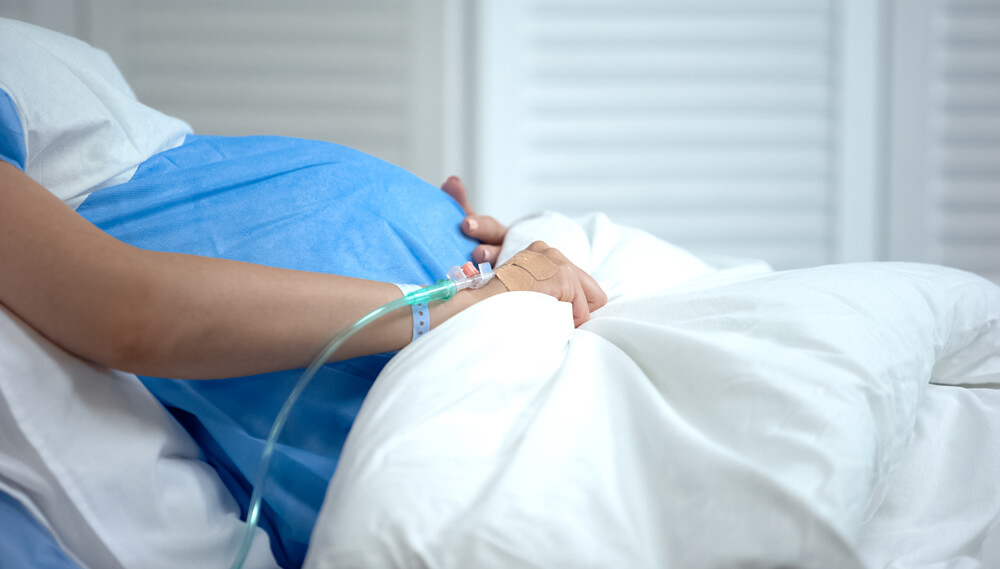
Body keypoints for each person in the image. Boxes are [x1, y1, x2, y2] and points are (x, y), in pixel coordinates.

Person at [0, 17, 606, 568]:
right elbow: (126, 309)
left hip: (514, 329)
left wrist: (485, 258)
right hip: (438, 405)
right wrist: (464, 303)